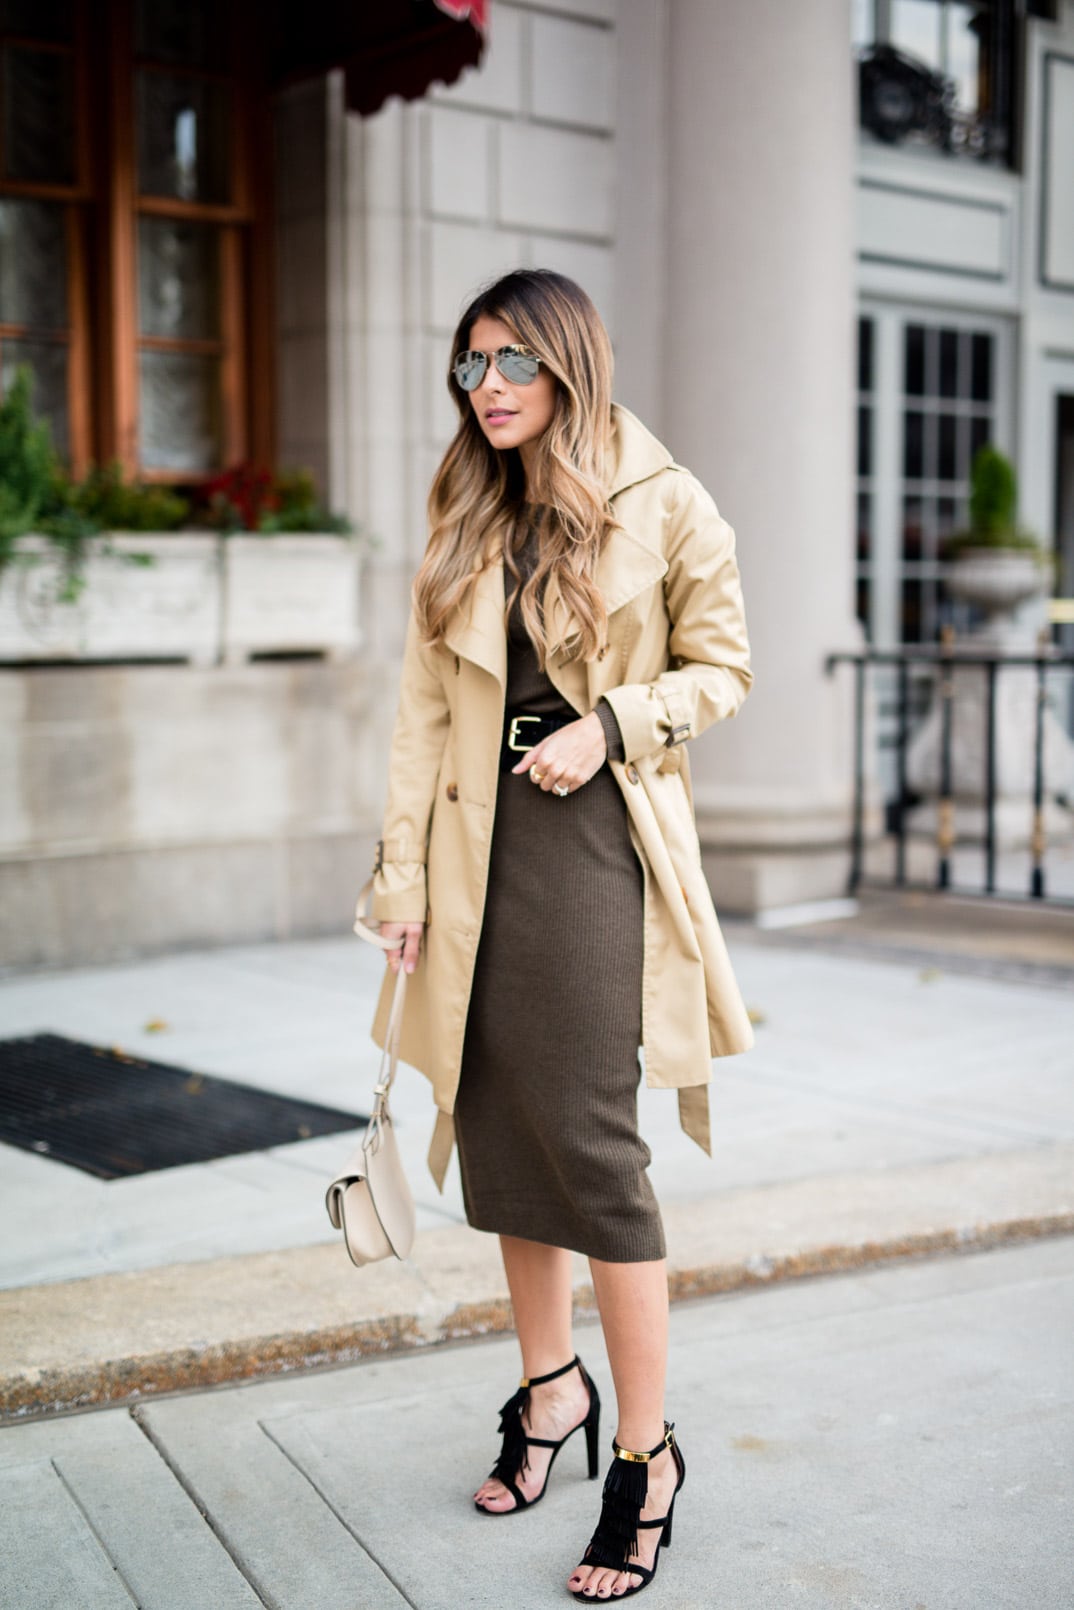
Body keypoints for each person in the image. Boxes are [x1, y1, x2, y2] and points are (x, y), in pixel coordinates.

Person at [367, 268, 753, 1600]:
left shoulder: (666, 499)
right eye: (468, 367)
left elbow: (724, 666)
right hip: (479, 855)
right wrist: (398, 879)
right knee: (498, 1127)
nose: (486, 389)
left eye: (509, 362)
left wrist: (614, 725)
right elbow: (421, 713)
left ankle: (645, 1455)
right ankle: (547, 1392)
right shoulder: (464, 505)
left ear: (568, 361)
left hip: (597, 855)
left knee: (590, 1150)